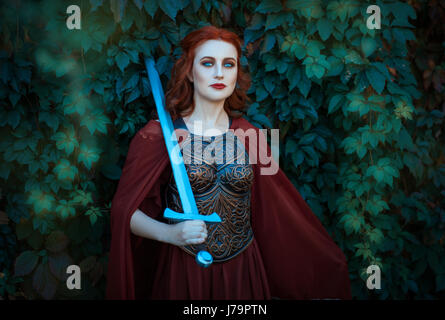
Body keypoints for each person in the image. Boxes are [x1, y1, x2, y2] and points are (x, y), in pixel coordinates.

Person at [106, 26, 352, 300]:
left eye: (229, 64)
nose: (219, 73)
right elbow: (123, 211)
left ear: (236, 73)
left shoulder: (252, 136)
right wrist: (169, 234)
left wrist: (322, 268)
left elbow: (278, 210)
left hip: (243, 271)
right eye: (208, 63)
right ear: (189, 71)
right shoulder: (156, 136)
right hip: (185, 271)